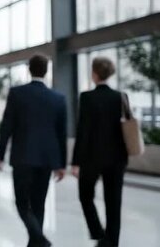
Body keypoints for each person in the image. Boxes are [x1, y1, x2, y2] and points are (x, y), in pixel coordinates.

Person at [0, 54, 67, 247]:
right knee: (38, 203)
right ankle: (36, 242)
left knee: (21, 204)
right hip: (46, 159)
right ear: (46, 70)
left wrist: (0, 154)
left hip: (22, 157)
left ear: (29, 69)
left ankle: (40, 240)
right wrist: (61, 164)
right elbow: (62, 134)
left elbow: (7, 126)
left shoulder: (17, 93)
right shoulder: (58, 98)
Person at [72, 57, 128, 247]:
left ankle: (97, 232)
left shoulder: (87, 97)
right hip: (117, 157)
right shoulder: (121, 96)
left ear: (95, 73)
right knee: (114, 201)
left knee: (85, 195)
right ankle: (111, 241)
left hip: (91, 158)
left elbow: (83, 131)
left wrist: (75, 162)